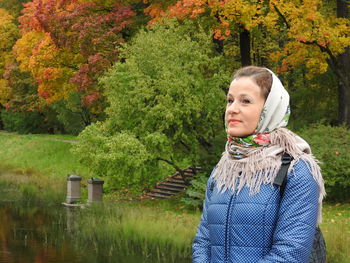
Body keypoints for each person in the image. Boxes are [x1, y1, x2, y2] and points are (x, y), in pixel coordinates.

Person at [192, 66, 325, 263]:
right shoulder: (223, 168)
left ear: (269, 108)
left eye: (245, 101)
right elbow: (203, 241)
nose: (232, 109)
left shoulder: (296, 170)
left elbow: (290, 254)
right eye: (230, 100)